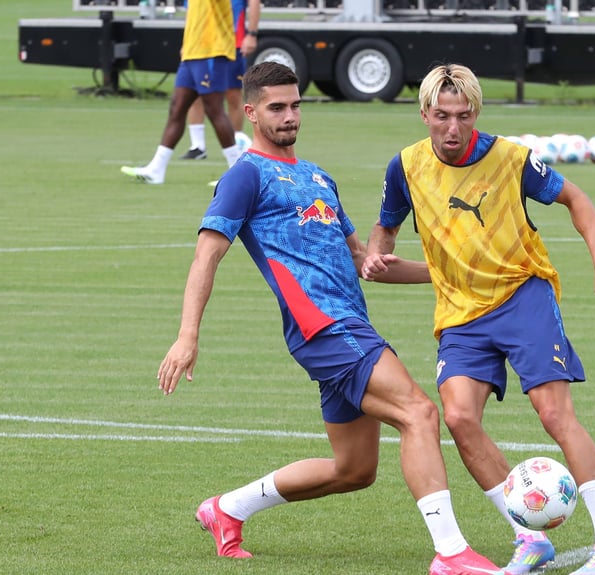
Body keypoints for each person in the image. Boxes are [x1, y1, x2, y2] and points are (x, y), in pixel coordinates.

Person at [156, 61, 506, 575]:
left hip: (348, 324)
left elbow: (366, 263)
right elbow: (205, 258)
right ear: (250, 112)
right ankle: (452, 554)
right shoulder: (245, 176)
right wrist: (187, 337)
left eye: (296, 104)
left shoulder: (319, 176)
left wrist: (453, 270)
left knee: (355, 469)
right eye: (277, 107)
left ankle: (227, 509)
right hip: (322, 329)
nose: (290, 115)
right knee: (420, 413)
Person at [364, 63, 595, 575]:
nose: (452, 128)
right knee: (461, 418)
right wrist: (378, 255)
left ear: (476, 114)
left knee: (555, 415)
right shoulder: (404, 167)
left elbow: (577, 198)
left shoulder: (511, 159)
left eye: (463, 116)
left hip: (522, 296)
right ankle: (528, 538)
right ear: (423, 113)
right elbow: (385, 230)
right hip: (460, 312)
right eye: (441, 116)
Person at [121, 0, 242, 184]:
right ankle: (156, 170)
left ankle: (237, 175)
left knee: (214, 110)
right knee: (176, 108)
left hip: (212, 51)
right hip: (192, 52)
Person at [180, 0, 260, 161]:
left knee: (232, 94)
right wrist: (186, 42)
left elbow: (254, 3)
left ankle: (235, 143)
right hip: (200, 47)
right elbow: (191, 13)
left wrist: (251, 34)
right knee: (194, 95)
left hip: (230, 44)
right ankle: (197, 146)